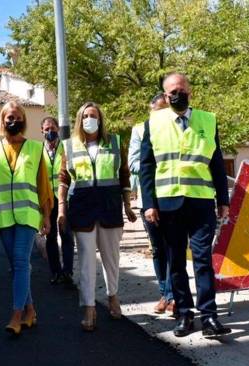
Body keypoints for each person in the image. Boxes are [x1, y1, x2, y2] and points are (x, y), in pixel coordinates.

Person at [140, 72, 231, 338]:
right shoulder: (154, 122)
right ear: (165, 96)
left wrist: (222, 200)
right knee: (176, 262)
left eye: (181, 90)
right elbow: (147, 166)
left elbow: (216, 162)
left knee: (203, 261)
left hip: (201, 202)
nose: (177, 95)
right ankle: (184, 314)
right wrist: (149, 204)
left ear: (190, 91)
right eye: (171, 92)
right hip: (168, 204)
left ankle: (210, 316)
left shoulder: (208, 120)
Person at [58, 102, 136, 331]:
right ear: (79, 120)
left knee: (111, 258)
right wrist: (62, 208)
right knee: (86, 261)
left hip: (110, 206)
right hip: (82, 208)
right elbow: (63, 179)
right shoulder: (69, 145)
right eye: (85, 116)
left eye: (93, 116)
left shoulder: (114, 142)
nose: (89, 119)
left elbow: (124, 176)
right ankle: (89, 307)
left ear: (100, 120)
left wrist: (128, 205)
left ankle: (113, 296)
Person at [0, 101, 52, 336]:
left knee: (21, 262)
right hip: (3, 216)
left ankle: (16, 314)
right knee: (17, 266)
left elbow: (43, 184)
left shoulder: (35, 147)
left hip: (28, 215)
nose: (13, 121)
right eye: (9, 117)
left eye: (18, 117)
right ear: (2, 121)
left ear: (24, 120)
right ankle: (30, 309)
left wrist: (47, 216)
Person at [129, 93, 175, 316]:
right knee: (158, 249)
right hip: (149, 198)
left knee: (172, 247)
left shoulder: (176, 127)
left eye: (163, 109)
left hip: (172, 196)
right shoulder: (139, 130)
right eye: (155, 110)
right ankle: (165, 292)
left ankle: (172, 296)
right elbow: (133, 162)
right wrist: (153, 163)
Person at [41, 116, 75, 287]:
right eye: (46, 129)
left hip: (64, 198)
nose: (50, 132)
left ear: (58, 129)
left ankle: (68, 271)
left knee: (66, 235)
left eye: (52, 128)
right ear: (42, 131)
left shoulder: (66, 148)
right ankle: (55, 272)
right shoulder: (39, 150)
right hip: (47, 200)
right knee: (50, 236)